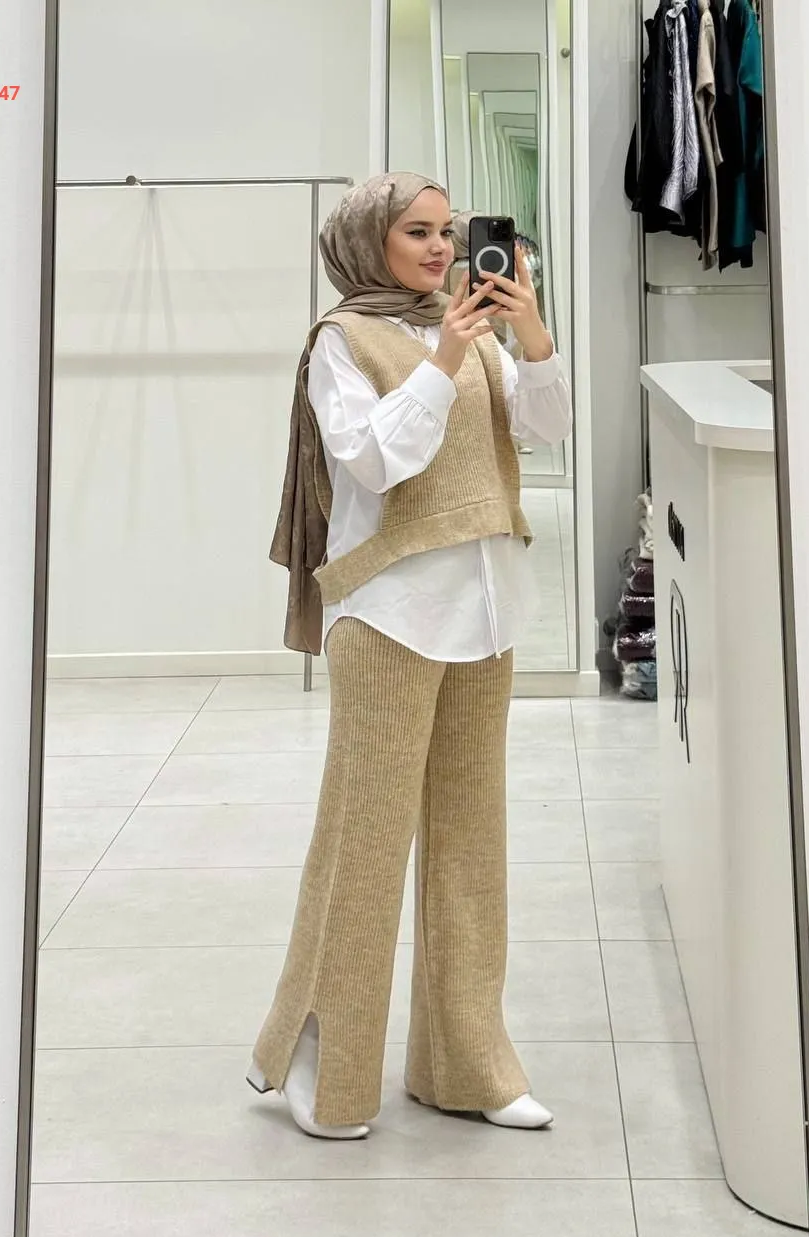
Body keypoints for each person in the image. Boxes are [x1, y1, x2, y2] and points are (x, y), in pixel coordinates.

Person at [247, 171, 573, 1140]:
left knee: (471, 849)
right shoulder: (342, 342)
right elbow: (376, 460)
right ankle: (325, 1063)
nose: (440, 249)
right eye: (416, 232)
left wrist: (530, 334)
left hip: (484, 611)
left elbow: (545, 432)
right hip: (388, 615)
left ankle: (467, 1066)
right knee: (365, 846)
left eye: (447, 231)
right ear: (367, 244)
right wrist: (444, 357)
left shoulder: (468, 328)